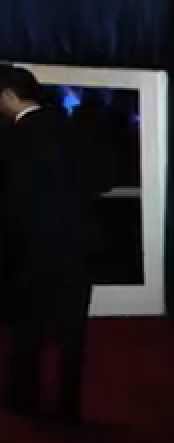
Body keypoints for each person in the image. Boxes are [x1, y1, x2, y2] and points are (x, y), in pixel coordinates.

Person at [0, 64, 95, 423]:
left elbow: (11, 201)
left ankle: (25, 402)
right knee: (72, 334)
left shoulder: (11, 137)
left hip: (30, 247)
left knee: (28, 328)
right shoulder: (72, 127)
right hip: (78, 245)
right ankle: (68, 407)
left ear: (8, 95)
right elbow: (102, 175)